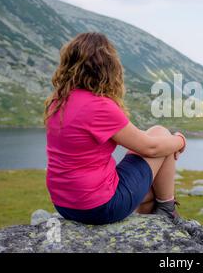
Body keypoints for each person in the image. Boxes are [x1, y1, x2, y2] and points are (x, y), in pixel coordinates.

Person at [44, 32, 185, 225]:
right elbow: (150, 148)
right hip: (98, 207)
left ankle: (156, 215)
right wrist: (179, 140)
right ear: (109, 67)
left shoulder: (58, 101)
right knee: (161, 136)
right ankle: (168, 211)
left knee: (152, 186)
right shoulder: (99, 106)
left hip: (64, 204)